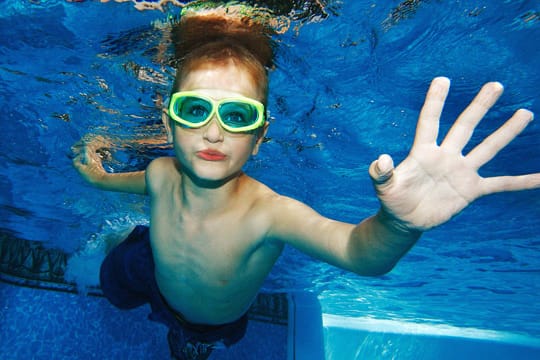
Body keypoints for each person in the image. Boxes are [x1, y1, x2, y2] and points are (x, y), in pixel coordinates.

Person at [72, 5, 540, 360]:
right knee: (117, 281)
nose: (214, 131)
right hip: (152, 272)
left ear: (260, 137)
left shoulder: (269, 213)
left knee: (202, 336)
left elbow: (357, 251)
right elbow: (124, 184)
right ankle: (122, 244)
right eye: (195, 110)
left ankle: (187, 335)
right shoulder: (160, 172)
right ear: (169, 123)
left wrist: (399, 226)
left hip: (217, 318)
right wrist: (95, 175)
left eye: (237, 116)